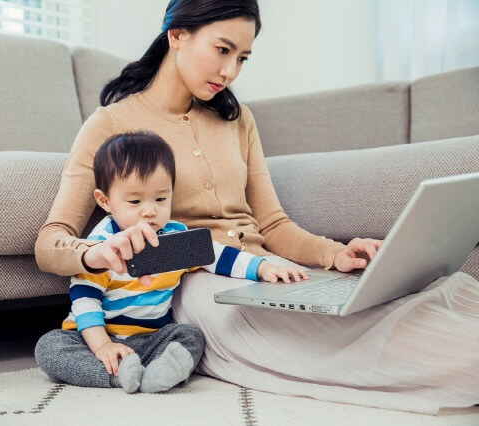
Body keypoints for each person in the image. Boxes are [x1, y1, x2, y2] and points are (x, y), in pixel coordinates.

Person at [34, 0, 479, 413]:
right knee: (353, 337)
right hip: (198, 279)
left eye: (242, 58)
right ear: (177, 34)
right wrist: (93, 254)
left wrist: (334, 253)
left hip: (264, 267)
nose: (230, 71)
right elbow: (51, 241)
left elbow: (272, 223)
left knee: (405, 294)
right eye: (222, 50)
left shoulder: (237, 119)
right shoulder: (111, 125)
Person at [36, 131, 309, 393]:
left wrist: (264, 268)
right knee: (49, 348)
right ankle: (117, 375)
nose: (150, 210)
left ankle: (158, 375)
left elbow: (219, 256)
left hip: (151, 338)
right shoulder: (103, 246)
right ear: (105, 201)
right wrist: (103, 347)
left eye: (160, 198)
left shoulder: (175, 238)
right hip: (94, 337)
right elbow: (85, 302)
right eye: (134, 201)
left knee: (190, 336)